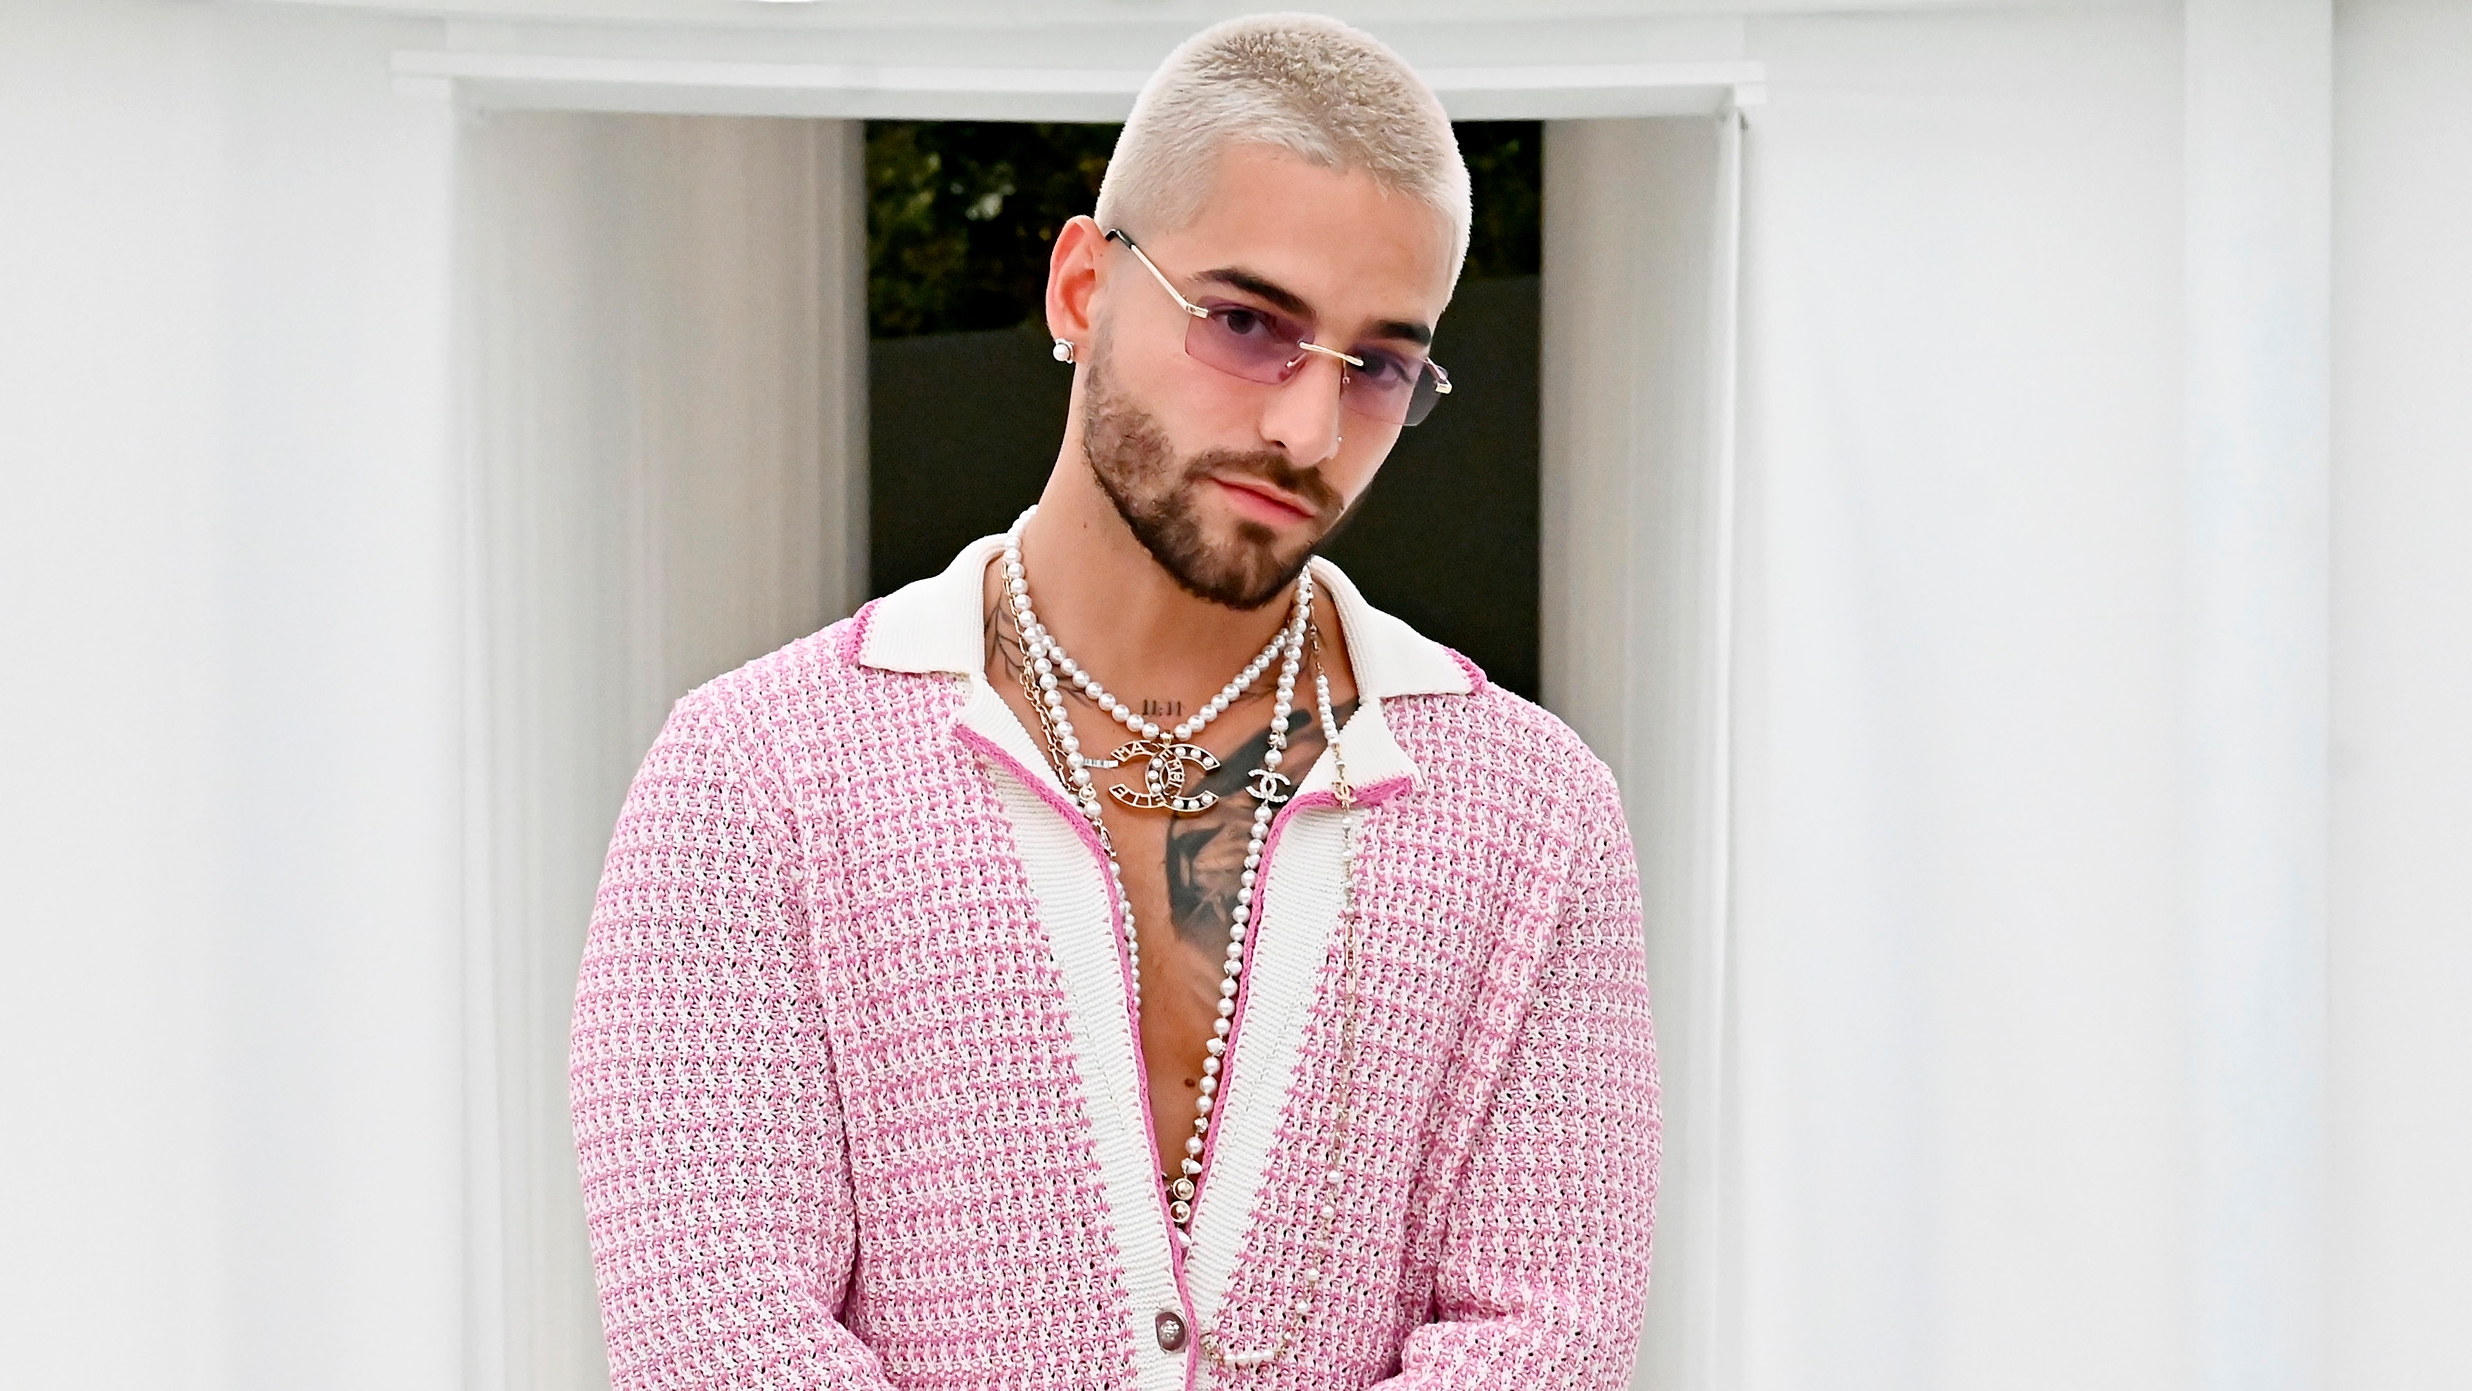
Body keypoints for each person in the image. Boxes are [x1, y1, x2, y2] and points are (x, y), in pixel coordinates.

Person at [569, 13, 1659, 1389]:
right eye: (1250, 324)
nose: (1307, 432)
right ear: (1083, 288)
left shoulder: (1531, 811)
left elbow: (1545, 1339)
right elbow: (713, 1332)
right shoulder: (757, 776)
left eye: (1377, 365)